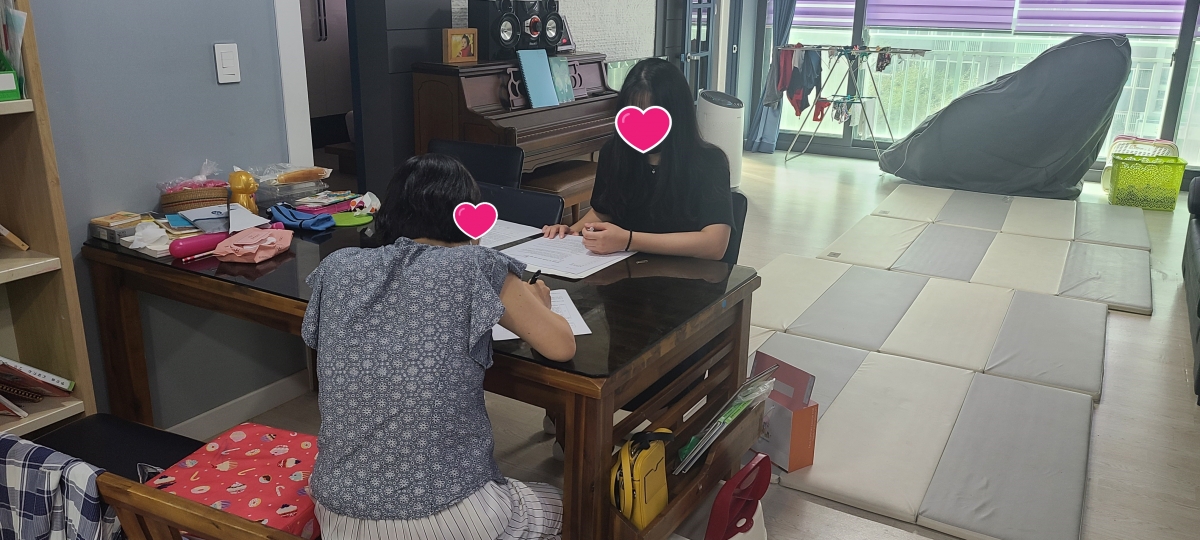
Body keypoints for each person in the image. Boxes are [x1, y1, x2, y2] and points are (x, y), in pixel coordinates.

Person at [302, 154, 574, 539]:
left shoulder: (337, 267)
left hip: (339, 513)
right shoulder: (473, 264)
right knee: (563, 504)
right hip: (447, 514)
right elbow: (561, 346)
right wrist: (540, 305)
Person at [543, 58, 735, 264]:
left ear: (677, 115)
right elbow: (604, 211)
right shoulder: (614, 152)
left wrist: (629, 240)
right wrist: (571, 232)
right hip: (622, 268)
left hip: (685, 273)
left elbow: (714, 245)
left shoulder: (709, 162)